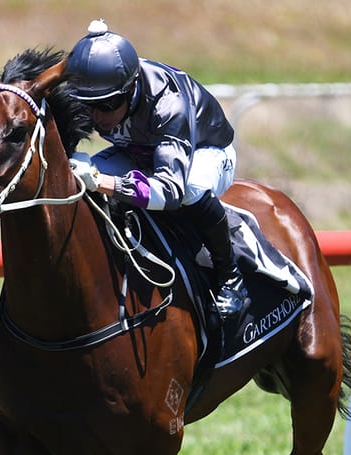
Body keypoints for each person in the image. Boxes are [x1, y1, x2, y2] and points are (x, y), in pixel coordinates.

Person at [63, 19, 248, 318]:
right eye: (88, 105)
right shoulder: (92, 91)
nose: (97, 116)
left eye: (108, 104)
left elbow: (170, 191)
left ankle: (230, 274)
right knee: (76, 178)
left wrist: (103, 181)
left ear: (130, 89)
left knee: (191, 190)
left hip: (205, 152)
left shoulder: (167, 104)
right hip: (139, 152)